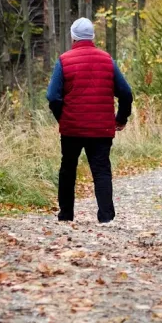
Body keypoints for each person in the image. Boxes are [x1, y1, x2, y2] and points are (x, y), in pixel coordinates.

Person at [46, 18, 133, 224]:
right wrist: (120, 119)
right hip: (101, 129)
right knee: (101, 170)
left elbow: (52, 96)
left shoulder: (64, 60)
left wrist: (63, 118)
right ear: (92, 37)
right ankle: (106, 218)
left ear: (73, 37)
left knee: (68, 169)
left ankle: (66, 216)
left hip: (72, 129)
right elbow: (126, 93)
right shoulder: (107, 60)